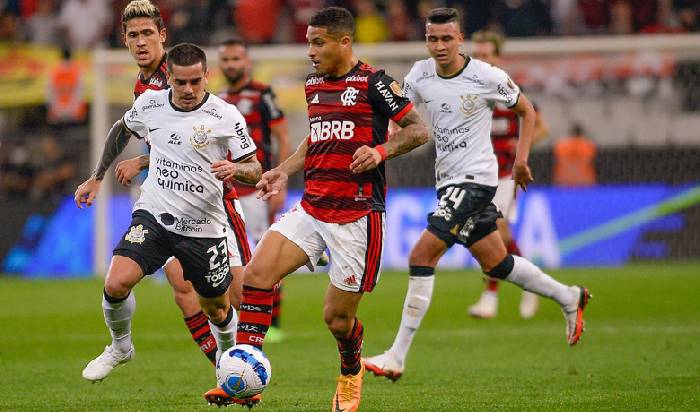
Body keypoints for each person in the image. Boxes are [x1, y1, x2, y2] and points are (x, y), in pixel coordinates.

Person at [203, 7, 429, 410]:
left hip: (357, 215)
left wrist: (380, 151)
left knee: (337, 320)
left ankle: (350, 371)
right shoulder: (313, 85)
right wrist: (281, 171)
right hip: (312, 206)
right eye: (308, 41)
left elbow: (418, 130)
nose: (310, 50)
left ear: (344, 42)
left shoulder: (374, 83)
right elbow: (316, 138)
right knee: (257, 275)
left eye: (318, 42)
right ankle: (245, 375)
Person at [363, 8, 591, 382]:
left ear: (460, 39)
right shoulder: (420, 74)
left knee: (422, 254)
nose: (439, 46)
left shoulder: (486, 76)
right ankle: (569, 296)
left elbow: (527, 111)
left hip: (477, 180)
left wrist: (520, 162)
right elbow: (400, 115)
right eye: (433, 39)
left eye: (447, 39)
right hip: (447, 182)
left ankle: (396, 356)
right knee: (497, 263)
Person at [74, 43, 261, 392]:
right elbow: (120, 131)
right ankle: (120, 346)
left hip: (204, 226)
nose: (188, 90)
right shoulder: (151, 103)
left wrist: (235, 168)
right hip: (155, 215)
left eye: (195, 82)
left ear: (207, 76)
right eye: (180, 83)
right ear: (169, 79)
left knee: (218, 309)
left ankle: (226, 367)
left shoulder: (226, 116)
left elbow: (254, 168)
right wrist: (97, 175)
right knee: (115, 283)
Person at [467, 30, 550, 320]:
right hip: (476, 174)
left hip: (504, 174)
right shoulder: (468, 91)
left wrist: (521, 148)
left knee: (495, 230)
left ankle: (490, 297)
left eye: (486, 54)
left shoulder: (509, 88)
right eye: (476, 54)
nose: (480, 59)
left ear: (497, 57)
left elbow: (541, 126)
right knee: (492, 234)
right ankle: (530, 284)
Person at [216, 37, 291, 342]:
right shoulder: (216, 99)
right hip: (226, 192)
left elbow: (282, 139)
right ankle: (237, 318)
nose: (231, 65)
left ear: (247, 62)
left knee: (264, 256)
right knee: (233, 258)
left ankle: (273, 322)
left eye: (237, 59)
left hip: (258, 188)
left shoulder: (263, 94)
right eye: (226, 59)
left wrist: (281, 181)